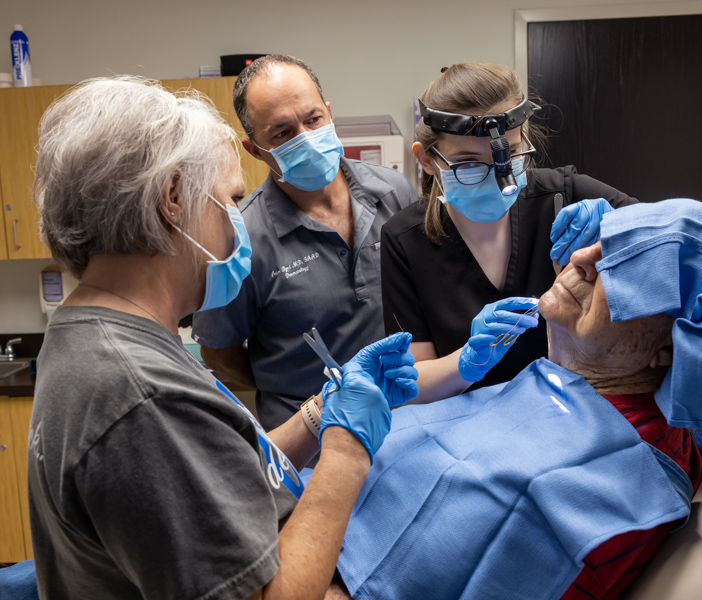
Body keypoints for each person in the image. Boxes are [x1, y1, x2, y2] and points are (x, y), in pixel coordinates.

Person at [27, 76, 417, 600]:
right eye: (231, 199)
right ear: (172, 198)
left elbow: (217, 471)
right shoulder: (141, 394)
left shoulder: (104, 331)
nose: (239, 224)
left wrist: (322, 411)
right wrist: (347, 453)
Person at [334, 198, 702, 599]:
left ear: (669, 351)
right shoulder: (572, 382)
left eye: (619, 272)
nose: (579, 259)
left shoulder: (619, 482)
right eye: (600, 242)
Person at [381, 63, 638, 404]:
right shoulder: (405, 240)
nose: (498, 180)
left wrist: (627, 231)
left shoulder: (565, 195)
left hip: (581, 415)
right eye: (469, 163)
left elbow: (688, 241)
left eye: (510, 155)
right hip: (467, 431)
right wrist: (466, 363)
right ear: (427, 160)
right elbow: (412, 385)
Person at [192, 55, 418, 435]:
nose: (306, 138)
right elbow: (220, 354)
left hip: (408, 419)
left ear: (329, 113)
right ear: (255, 150)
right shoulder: (241, 236)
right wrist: (290, 386)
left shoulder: (393, 192)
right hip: (313, 441)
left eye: (313, 120)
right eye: (282, 133)